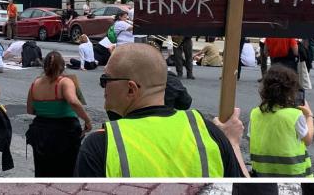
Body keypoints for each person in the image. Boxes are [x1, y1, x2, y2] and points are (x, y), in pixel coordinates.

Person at [74, 43, 244, 177]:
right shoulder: (207, 132)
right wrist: (233, 144)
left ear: (131, 89)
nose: (102, 86)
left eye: (105, 79)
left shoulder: (101, 144)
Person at [26, 51, 93, 177]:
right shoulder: (64, 82)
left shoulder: (35, 84)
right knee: (66, 170)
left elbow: (30, 110)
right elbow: (73, 101)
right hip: (64, 133)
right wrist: (87, 120)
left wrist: (46, 110)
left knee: (43, 171)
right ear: (62, 67)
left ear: (44, 66)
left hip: (41, 133)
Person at [247, 66, 313, 178]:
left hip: (262, 173)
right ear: (291, 92)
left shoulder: (255, 113)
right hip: (293, 174)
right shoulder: (294, 115)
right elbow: (308, 140)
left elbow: (250, 139)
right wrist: (309, 115)